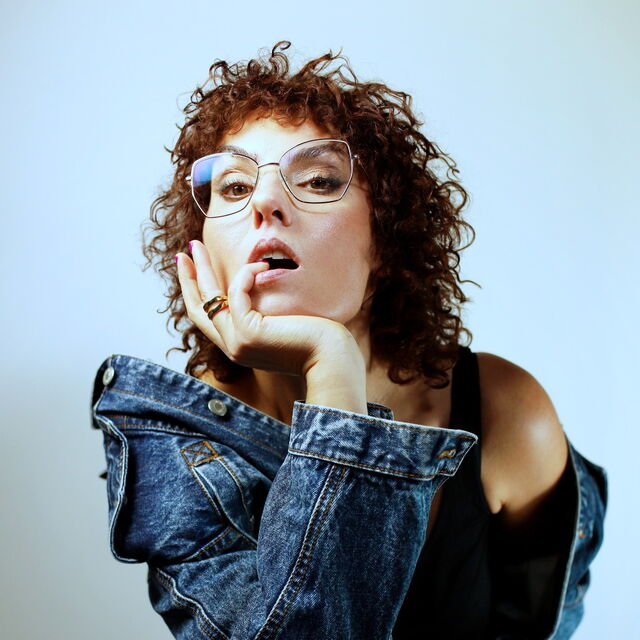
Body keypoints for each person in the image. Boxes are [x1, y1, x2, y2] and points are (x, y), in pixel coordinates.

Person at [90, 42, 607, 639]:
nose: (265, 202)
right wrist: (332, 367)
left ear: (385, 242)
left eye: (317, 180)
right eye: (233, 187)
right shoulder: (174, 442)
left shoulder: (505, 411)